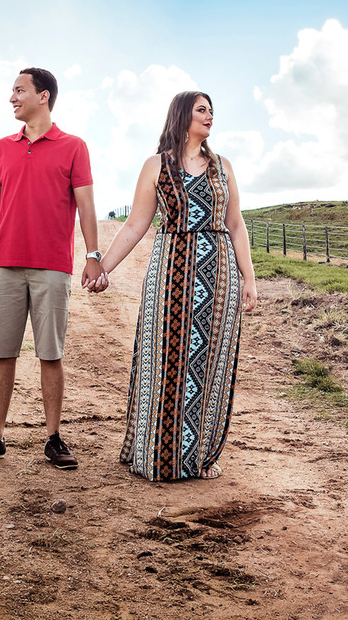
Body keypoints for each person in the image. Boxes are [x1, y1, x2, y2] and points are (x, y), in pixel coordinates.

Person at [93, 91, 257, 481]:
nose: (210, 116)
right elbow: (136, 224)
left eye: (212, 110)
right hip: (169, 275)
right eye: (202, 110)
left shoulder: (223, 167)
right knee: (163, 362)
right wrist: (103, 267)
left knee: (208, 365)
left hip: (218, 277)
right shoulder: (156, 166)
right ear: (182, 115)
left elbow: (236, 224)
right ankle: (156, 453)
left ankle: (199, 456)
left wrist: (249, 279)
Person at [0, 67, 104, 469]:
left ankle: (54, 438)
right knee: (2, 353)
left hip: (52, 267)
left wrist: (93, 255)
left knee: (50, 354)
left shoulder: (74, 146)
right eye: (12, 91)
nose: (12, 97)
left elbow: (86, 206)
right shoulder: (1, 147)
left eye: (19, 90)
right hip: (4, 264)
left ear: (43, 96)